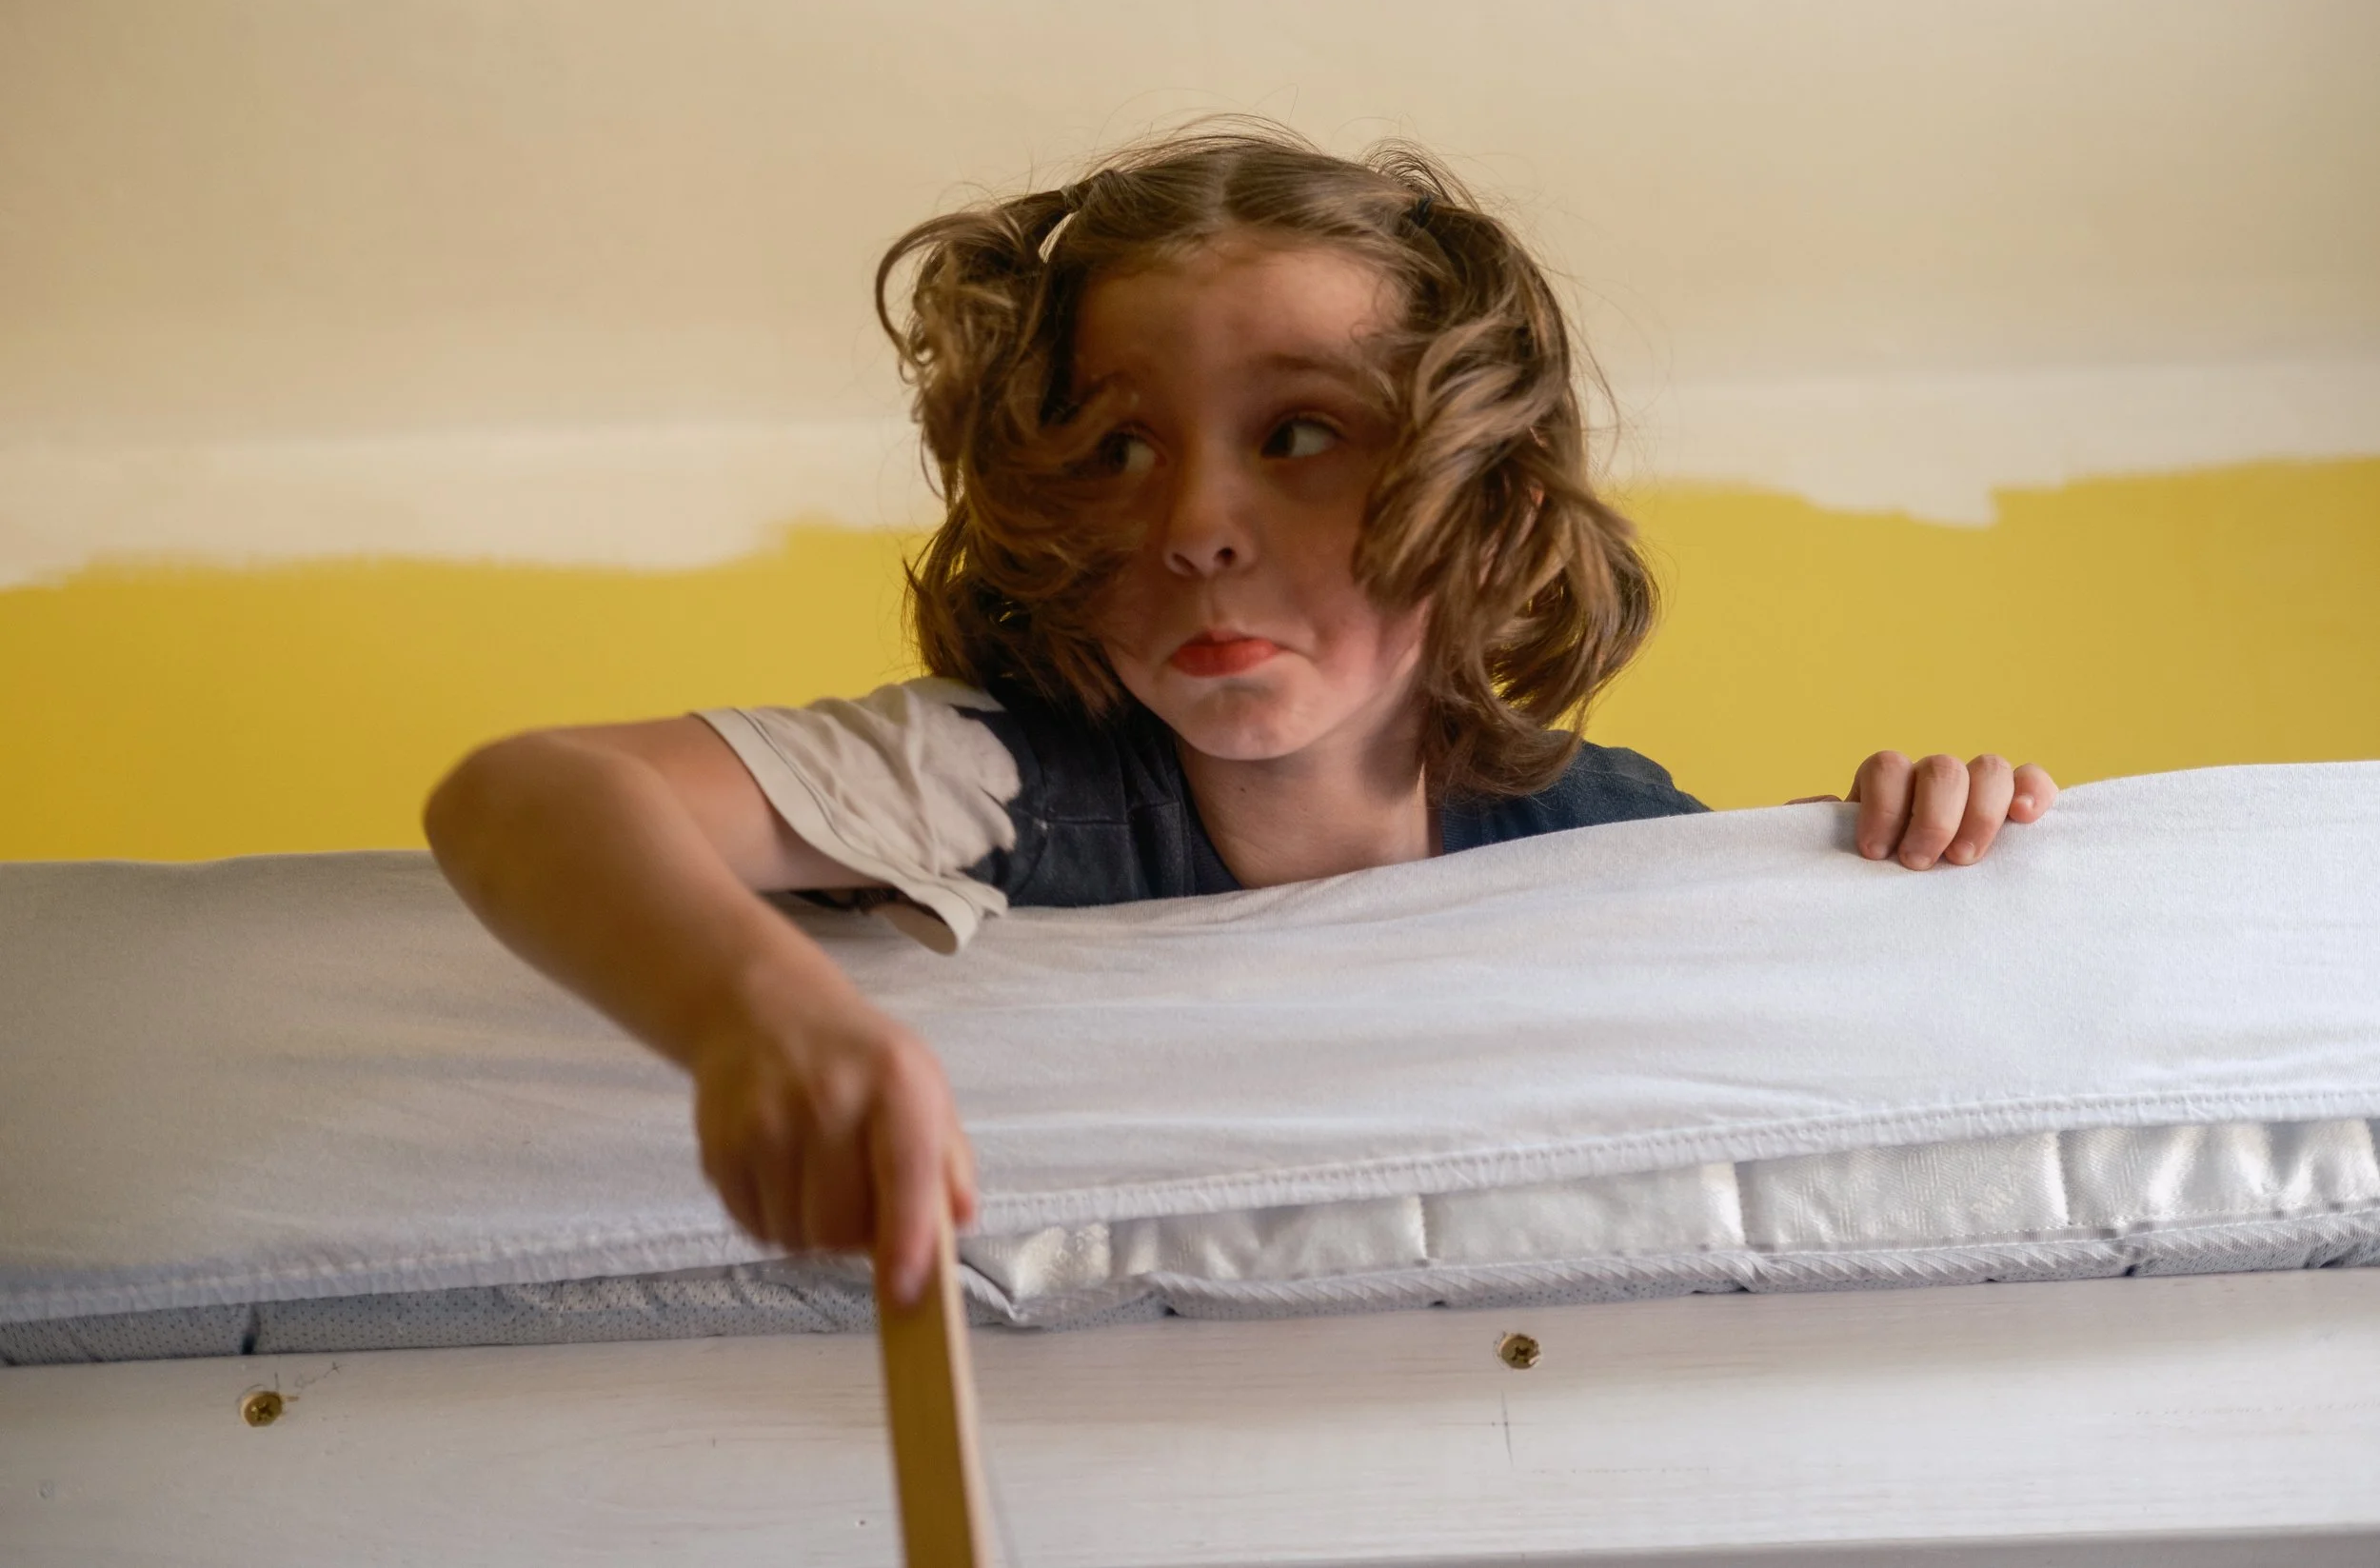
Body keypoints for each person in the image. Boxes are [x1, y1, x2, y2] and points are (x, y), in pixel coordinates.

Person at [425, 127, 2056, 1305]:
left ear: (1477, 494)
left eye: (1299, 434)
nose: (1194, 522)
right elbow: (521, 793)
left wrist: (1931, 825)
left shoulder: (1609, 845)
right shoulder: (997, 772)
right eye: (1120, 449)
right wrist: (754, 1012)